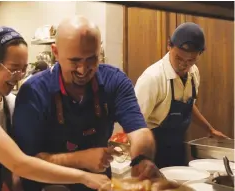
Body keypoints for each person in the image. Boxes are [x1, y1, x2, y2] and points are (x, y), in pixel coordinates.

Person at [13, 16, 159, 191]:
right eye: (74, 61)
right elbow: (26, 162)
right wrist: (81, 159)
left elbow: (139, 131)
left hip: (100, 186)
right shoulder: (34, 92)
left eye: (91, 59)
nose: (83, 69)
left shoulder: (115, 81)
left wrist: (141, 160)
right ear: (56, 52)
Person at [0, 26, 110, 191]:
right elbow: (18, 163)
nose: (20, 76)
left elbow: (9, 165)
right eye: (14, 68)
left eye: (24, 69)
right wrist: (85, 177)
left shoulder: (9, 102)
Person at [134, 22, 228, 169]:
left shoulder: (193, 72)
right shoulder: (152, 79)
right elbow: (134, 126)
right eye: (179, 58)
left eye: (191, 60)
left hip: (178, 148)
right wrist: (139, 161)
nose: (184, 65)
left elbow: (188, 105)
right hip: (152, 152)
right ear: (169, 46)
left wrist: (210, 129)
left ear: (199, 54)